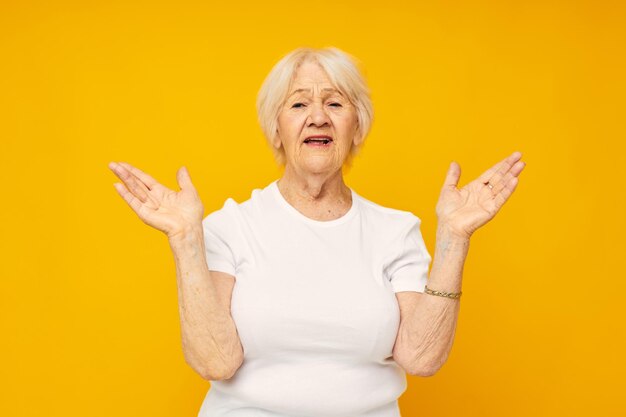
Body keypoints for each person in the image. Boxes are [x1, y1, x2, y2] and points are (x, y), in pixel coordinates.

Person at [108, 46, 526, 417]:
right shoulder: (230, 226)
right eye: (298, 105)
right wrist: (185, 240)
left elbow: (421, 357)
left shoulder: (395, 231)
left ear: (357, 127)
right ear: (276, 129)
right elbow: (216, 361)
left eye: (335, 103)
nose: (318, 117)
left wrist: (454, 238)